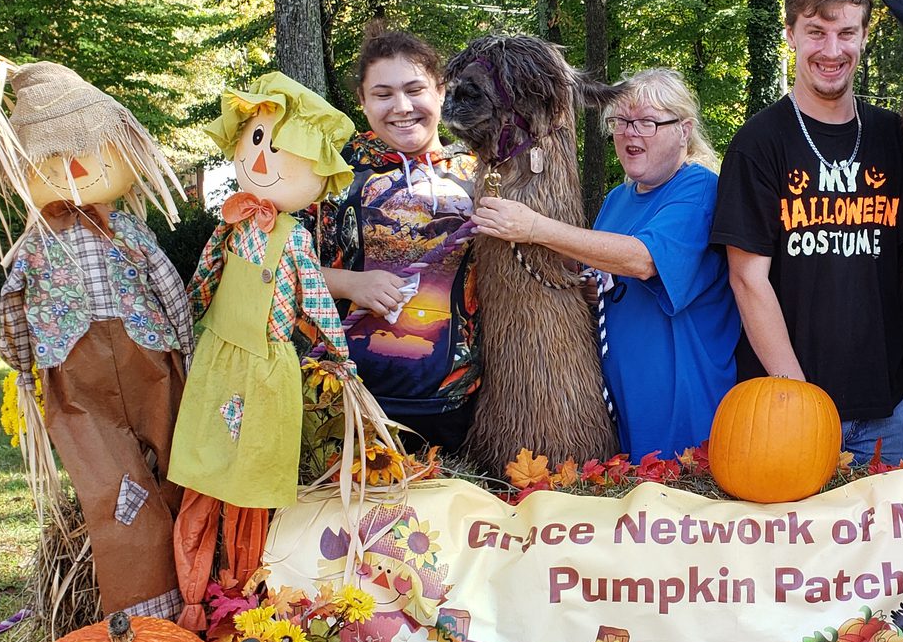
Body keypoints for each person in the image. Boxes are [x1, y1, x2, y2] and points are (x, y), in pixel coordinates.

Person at [710, 0, 903, 464]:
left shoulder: (890, 135)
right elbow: (747, 280)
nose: (832, 50)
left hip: (884, 410)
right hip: (785, 406)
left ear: (864, 36)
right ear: (791, 33)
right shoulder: (760, 142)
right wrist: (796, 399)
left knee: (881, 545)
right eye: (816, 32)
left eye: (846, 33)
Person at [470, 69, 740, 459]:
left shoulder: (698, 188)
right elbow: (604, 264)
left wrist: (534, 227)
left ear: (684, 130)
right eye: (621, 122)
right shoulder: (617, 199)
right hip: (627, 401)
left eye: (647, 122)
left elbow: (643, 259)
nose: (631, 133)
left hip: (684, 403)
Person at [316, 25, 481, 453]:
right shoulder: (333, 177)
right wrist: (352, 283)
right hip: (350, 394)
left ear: (441, 91)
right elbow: (281, 267)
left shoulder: (480, 173)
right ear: (363, 102)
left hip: (458, 399)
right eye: (383, 94)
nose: (402, 107)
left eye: (415, 89)